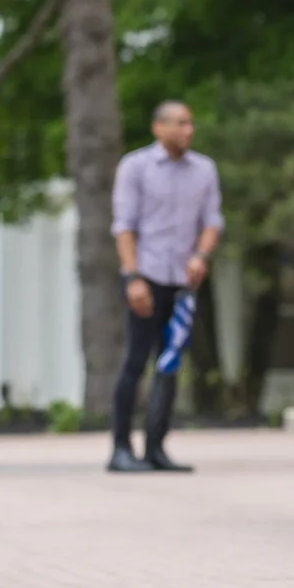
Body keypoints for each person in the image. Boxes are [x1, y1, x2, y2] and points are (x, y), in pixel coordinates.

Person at [108, 101, 223, 474]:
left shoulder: (204, 170)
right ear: (158, 128)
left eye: (190, 123)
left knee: (170, 363)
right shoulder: (135, 167)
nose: (187, 130)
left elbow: (212, 221)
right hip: (147, 277)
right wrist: (132, 277)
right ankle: (121, 449)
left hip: (183, 283)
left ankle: (156, 447)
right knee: (136, 362)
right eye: (179, 123)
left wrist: (201, 256)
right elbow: (124, 226)